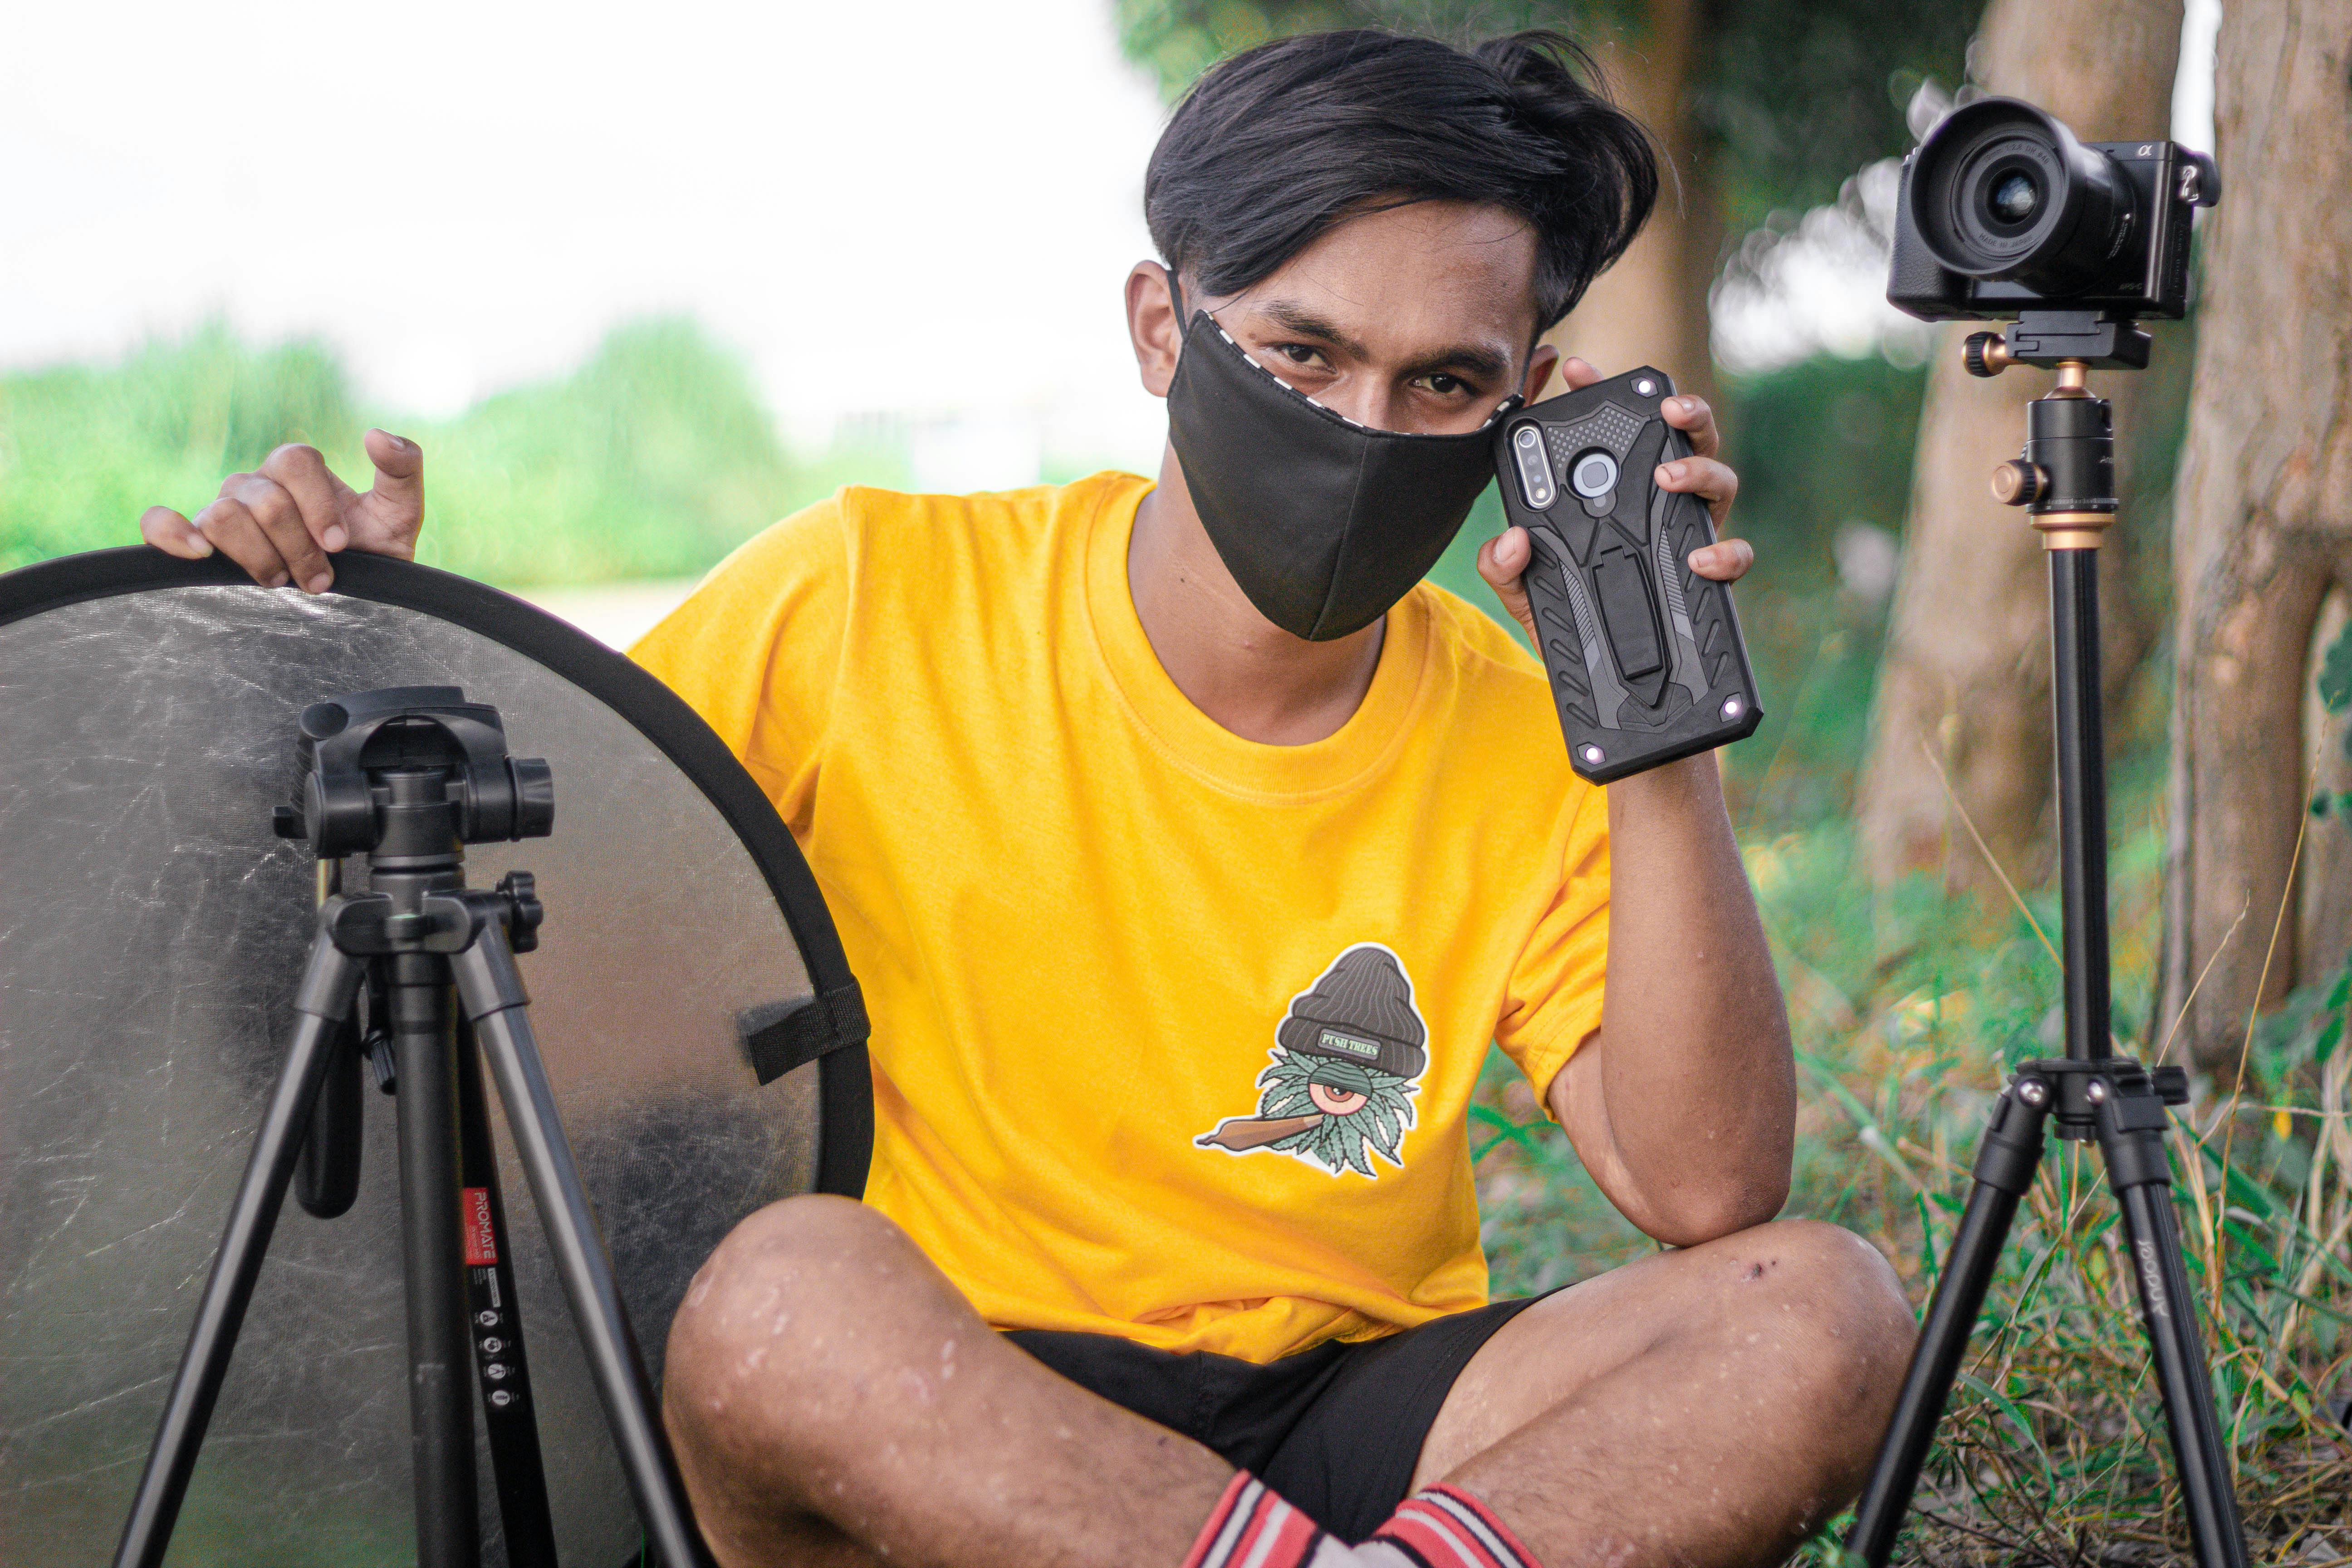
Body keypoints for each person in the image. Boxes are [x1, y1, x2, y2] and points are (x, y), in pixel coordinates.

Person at [141, 29, 1914, 1568]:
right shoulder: (862, 596)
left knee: (1821, 1306)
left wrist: (1657, 737)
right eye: (1301, 355)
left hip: (1341, 1407)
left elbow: (1705, 1188)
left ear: (1525, 405)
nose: (1365, 424)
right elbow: (510, 968)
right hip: (940, 1395)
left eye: (1442, 382)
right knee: (776, 1297)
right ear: (1161, 327)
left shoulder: (1530, 733)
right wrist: (366, 659)